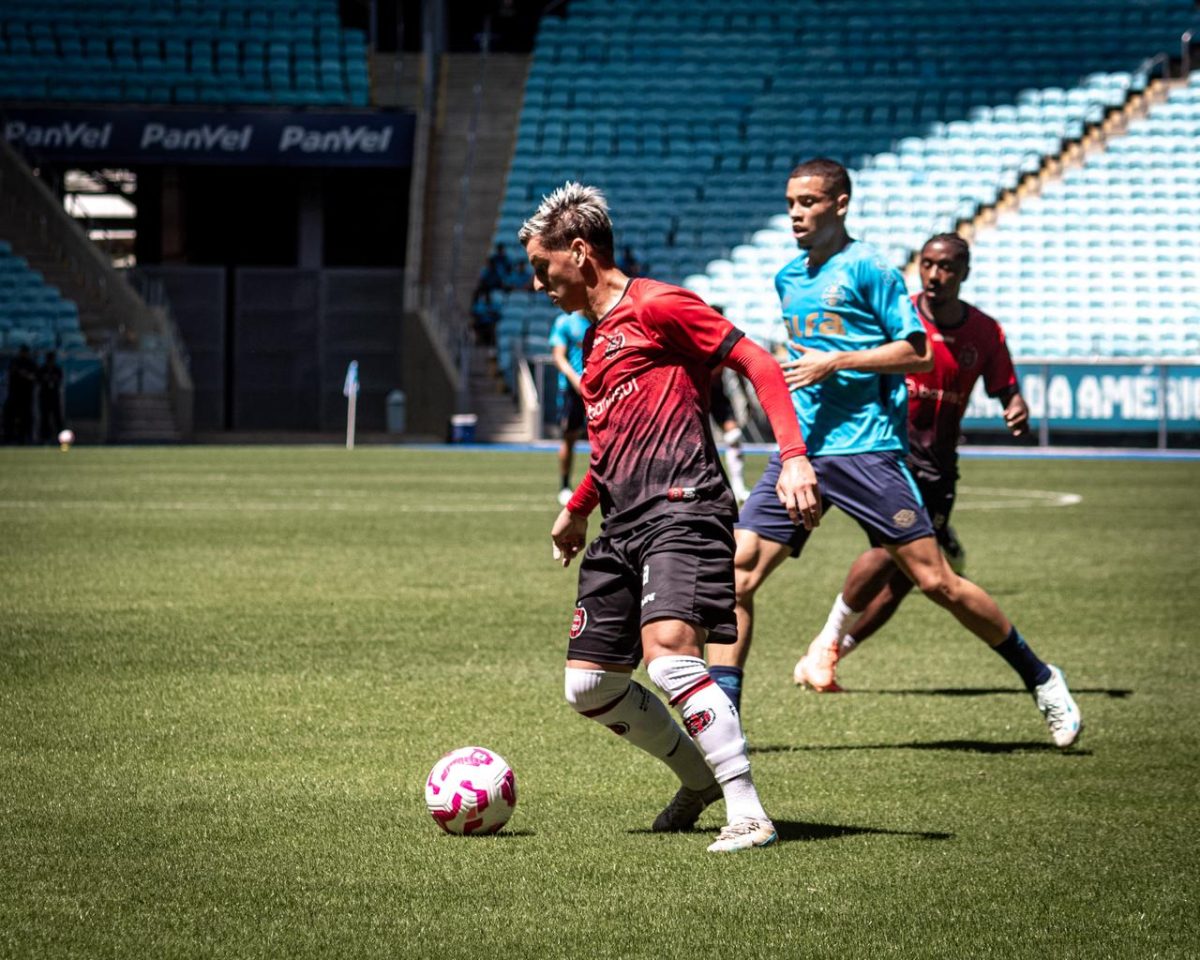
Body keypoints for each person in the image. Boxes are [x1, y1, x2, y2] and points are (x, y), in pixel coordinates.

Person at [706, 159, 1081, 750]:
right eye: (791, 203)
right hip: (801, 451)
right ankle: (723, 730)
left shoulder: (870, 268)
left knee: (936, 581)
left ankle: (1041, 678)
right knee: (735, 577)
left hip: (868, 451)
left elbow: (916, 353)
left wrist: (836, 361)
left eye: (809, 202)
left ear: (841, 204)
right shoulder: (787, 277)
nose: (797, 213)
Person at [520, 181, 821, 852]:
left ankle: (749, 812)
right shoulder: (597, 345)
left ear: (578, 252)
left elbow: (758, 362)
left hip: (684, 509)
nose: (540, 285)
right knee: (589, 685)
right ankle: (698, 780)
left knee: (671, 659)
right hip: (620, 526)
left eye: (544, 269)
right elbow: (612, 447)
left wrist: (794, 457)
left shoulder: (660, 305)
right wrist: (576, 510)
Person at [794, 233, 1032, 692]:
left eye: (946, 267)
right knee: (889, 552)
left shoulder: (985, 331)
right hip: (889, 456)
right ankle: (826, 644)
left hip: (939, 467)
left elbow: (1004, 385)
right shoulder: (898, 320)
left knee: (911, 577)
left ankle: (833, 652)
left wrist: (1014, 404)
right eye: (927, 265)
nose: (935, 275)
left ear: (963, 273)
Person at [548, 309, 590, 506]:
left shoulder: (599, 320)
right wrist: (575, 380)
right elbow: (558, 356)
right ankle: (564, 486)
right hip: (572, 390)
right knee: (570, 436)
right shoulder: (565, 322)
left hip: (597, 387)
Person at [709, 367, 750, 504]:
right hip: (691, 392)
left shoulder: (722, 349)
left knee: (734, 436)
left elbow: (738, 368)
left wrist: (746, 397)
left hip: (716, 394)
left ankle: (738, 487)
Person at [3, 345, 38, 444]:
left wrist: (25, 375)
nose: (24, 354)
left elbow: (35, 376)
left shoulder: (30, 363)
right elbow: (11, 374)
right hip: (14, 395)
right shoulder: (15, 362)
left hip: (26, 396)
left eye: (25, 352)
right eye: (23, 352)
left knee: (26, 418)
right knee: (10, 418)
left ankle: (26, 438)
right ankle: (9, 438)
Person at [38, 350, 65, 444]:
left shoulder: (57, 369)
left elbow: (60, 379)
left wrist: (53, 378)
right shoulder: (42, 369)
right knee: (44, 418)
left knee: (57, 418)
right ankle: (44, 438)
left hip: (54, 397)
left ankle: (60, 438)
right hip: (45, 397)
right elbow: (38, 380)